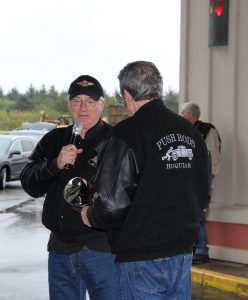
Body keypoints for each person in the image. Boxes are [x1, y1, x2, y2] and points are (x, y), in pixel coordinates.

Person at [81, 61, 210, 299]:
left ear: (127, 95)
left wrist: (90, 214)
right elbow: (203, 193)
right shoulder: (191, 132)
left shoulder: (126, 133)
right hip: (181, 254)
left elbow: (111, 205)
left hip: (140, 258)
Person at [20, 75, 118, 300]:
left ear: (101, 105)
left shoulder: (116, 140)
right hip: (59, 250)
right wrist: (54, 165)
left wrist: (90, 202)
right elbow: (29, 184)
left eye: (90, 101)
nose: (83, 107)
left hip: (101, 249)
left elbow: (127, 193)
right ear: (69, 104)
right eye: (77, 101)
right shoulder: (53, 139)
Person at [180, 101, 221, 264]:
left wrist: (209, 178)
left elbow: (213, 157)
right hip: (188, 179)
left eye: (182, 113)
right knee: (190, 214)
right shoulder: (184, 130)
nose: (180, 116)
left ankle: (202, 250)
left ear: (189, 115)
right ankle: (192, 248)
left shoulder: (207, 130)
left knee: (199, 215)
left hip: (202, 179)